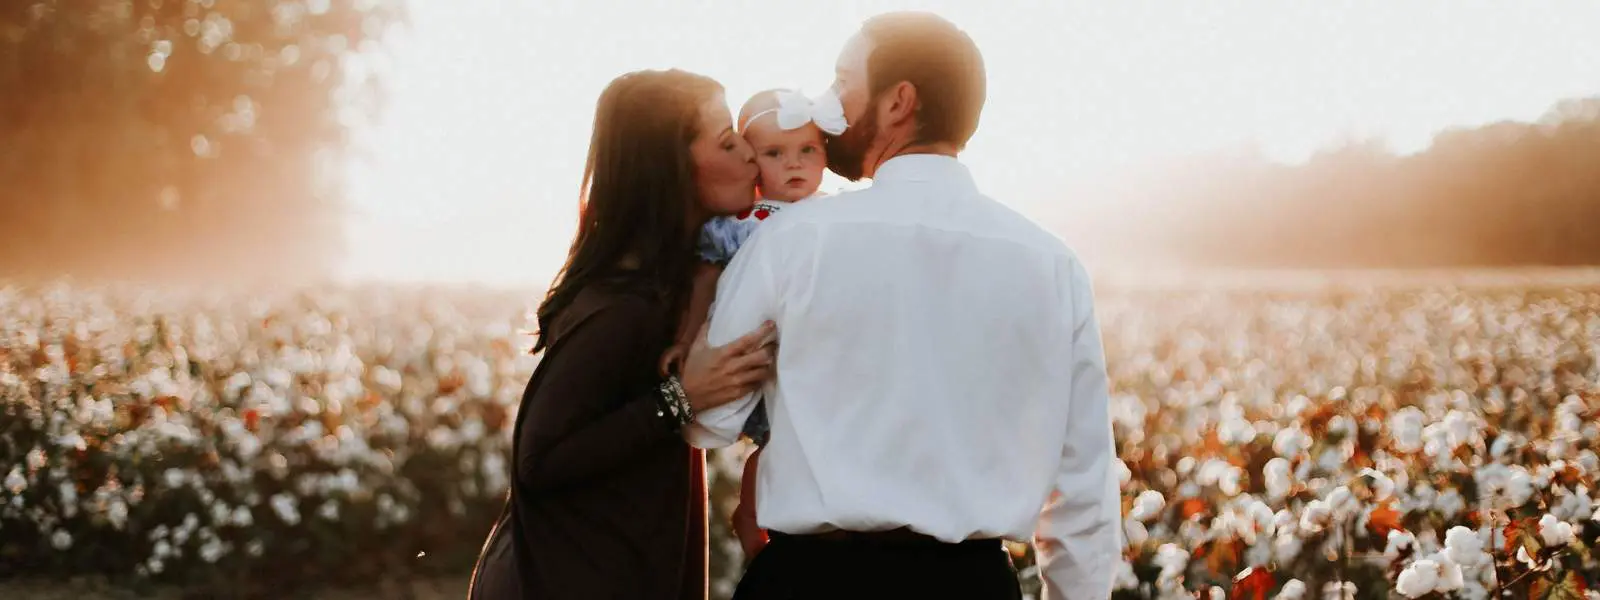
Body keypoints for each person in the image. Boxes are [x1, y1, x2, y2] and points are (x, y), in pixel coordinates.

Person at [681, 12, 1121, 600]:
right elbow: (1083, 495)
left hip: (809, 582)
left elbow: (709, 421)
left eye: (842, 83)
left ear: (898, 102)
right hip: (971, 585)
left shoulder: (790, 241)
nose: (826, 105)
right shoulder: (1053, 265)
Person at [467, 68, 780, 600]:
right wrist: (681, 398)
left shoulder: (674, 286)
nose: (751, 154)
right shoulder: (627, 305)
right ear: (670, 170)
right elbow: (538, 460)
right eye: (728, 141)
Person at [659, 86, 847, 561]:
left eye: (808, 150)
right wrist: (686, 338)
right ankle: (749, 515)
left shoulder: (840, 215)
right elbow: (705, 281)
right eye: (775, 153)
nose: (795, 164)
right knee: (769, 445)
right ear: (752, 162)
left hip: (810, 355)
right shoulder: (744, 223)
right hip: (753, 353)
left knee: (799, 440)